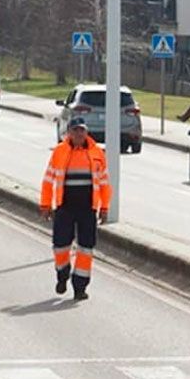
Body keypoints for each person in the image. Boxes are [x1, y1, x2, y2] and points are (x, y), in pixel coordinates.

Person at [40, 116, 111, 300]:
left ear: (86, 132)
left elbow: (104, 183)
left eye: (82, 130)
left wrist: (104, 207)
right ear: (69, 133)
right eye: (75, 130)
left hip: (88, 208)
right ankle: (62, 274)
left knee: (86, 249)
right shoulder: (59, 152)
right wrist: (45, 205)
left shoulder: (97, 153)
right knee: (60, 246)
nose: (79, 134)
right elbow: (48, 180)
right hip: (65, 207)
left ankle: (80, 287)